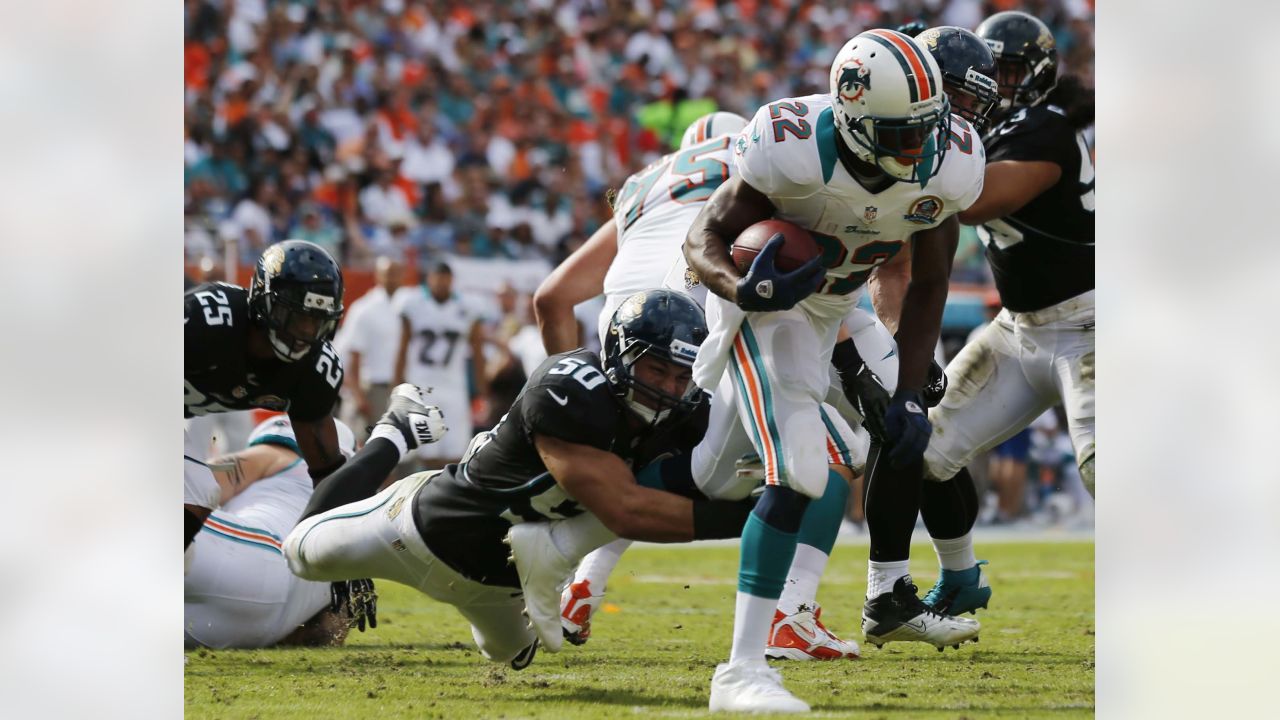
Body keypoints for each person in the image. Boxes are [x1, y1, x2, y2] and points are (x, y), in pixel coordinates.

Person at [682, 29, 987, 712]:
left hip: (840, 305)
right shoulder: (789, 147)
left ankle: (889, 592)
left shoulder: (952, 161)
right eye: (900, 134)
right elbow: (701, 238)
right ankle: (741, 672)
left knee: (907, 433)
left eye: (927, 129)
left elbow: (932, 280)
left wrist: (908, 394)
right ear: (850, 118)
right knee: (801, 470)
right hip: (770, 307)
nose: (923, 148)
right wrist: (743, 289)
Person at [534, 111, 865, 662]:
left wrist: (576, 382)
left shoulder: (645, 182)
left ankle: (581, 585)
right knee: (828, 451)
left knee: (653, 464)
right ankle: (791, 613)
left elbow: (551, 298)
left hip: (626, 335)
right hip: (701, 314)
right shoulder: (764, 163)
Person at [284, 291, 759, 670]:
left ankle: (535, 568)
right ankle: (395, 432)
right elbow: (623, 511)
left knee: (515, 655)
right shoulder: (572, 389)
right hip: (420, 531)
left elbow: (709, 473)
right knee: (299, 553)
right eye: (656, 368)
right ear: (619, 355)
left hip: (499, 581)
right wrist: (753, 521)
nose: (668, 389)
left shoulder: (687, 413)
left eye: (682, 375)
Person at [881, 11, 1095, 616]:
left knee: (1103, 463)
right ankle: (960, 575)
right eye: (984, 71)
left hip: (1090, 324)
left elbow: (973, 200)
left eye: (1003, 70)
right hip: (1019, 330)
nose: (993, 84)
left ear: (1035, 75)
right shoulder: (985, 130)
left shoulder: (1046, 126)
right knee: (925, 448)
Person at [185, 240, 348, 551]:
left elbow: (327, 474)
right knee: (193, 486)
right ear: (263, 301)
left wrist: (344, 555)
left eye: (317, 320)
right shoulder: (208, 322)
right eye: (296, 316)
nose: (305, 332)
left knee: (195, 491)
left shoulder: (313, 370)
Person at [185, 416, 358, 649]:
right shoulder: (351, 516)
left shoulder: (282, 454)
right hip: (260, 629)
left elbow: (202, 485)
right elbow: (328, 629)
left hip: (255, 555)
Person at [393, 261, 486, 468]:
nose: (441, 283)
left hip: (454, 385)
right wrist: (398, 384)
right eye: (437, 278)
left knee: (456, 449)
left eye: (445, 278)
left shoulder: (468, 307)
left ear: (452, 281)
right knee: (427, 449)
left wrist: (481, 389)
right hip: (422, 385)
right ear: (428, 279)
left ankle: (444, 490)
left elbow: (478, 352)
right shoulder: (413, 303)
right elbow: (402, 347)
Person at [339, 256, 404, 441]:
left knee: (396, 450)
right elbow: (353, 355)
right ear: (378, 276)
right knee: (367, 445)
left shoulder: (408, 306)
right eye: (388, 274)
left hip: (398, 389)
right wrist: (359, 396)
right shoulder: (364, 309)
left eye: (396, 274)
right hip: (373, 388)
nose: (392, 278)